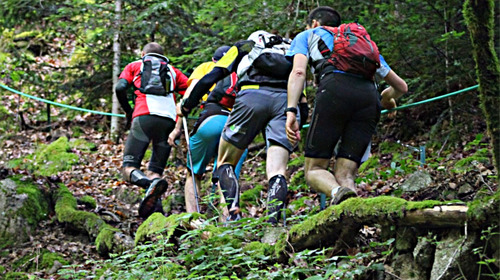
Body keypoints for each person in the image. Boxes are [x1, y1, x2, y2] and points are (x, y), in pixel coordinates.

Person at [178, 31, 304, 224]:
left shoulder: (245, 46)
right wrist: (298, 124)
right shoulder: (290, 50)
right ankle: (273, 224)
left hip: (251, 96)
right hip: (285, 102)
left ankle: (233, 214)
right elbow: (301, 93)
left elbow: (212, 76)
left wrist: (187, 105)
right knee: (278, 170)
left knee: (225, 161)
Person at [285, 7, 407, 205]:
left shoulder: (308, 35)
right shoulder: (358, 43)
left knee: (314, 169)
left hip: (334, 91)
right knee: (346, 174)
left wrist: (291, 110)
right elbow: (401, 86)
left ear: (314, 23)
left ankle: (337, 192)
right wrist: (387, 99)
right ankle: (353, 219)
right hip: (368, 97)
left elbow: (298, 73)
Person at [168, 46, 248, 213]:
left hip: (212, 119)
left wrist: (177, 127)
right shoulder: (244, 70)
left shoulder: (207, 68)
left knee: (193, 173)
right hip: (238, 125)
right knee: (227, 175)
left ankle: (194, 218)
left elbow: (189, 95)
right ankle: (227, 226)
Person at [115, 42, 189, 218]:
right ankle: (156, 215)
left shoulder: (135, 66)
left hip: (144, 116)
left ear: (143, 53)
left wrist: (128, 111)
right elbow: (190, 91)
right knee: (156, 171)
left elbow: (120, 88)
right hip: (169, 120)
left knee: (128, 168)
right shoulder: (173, 71)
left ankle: (149, 184)